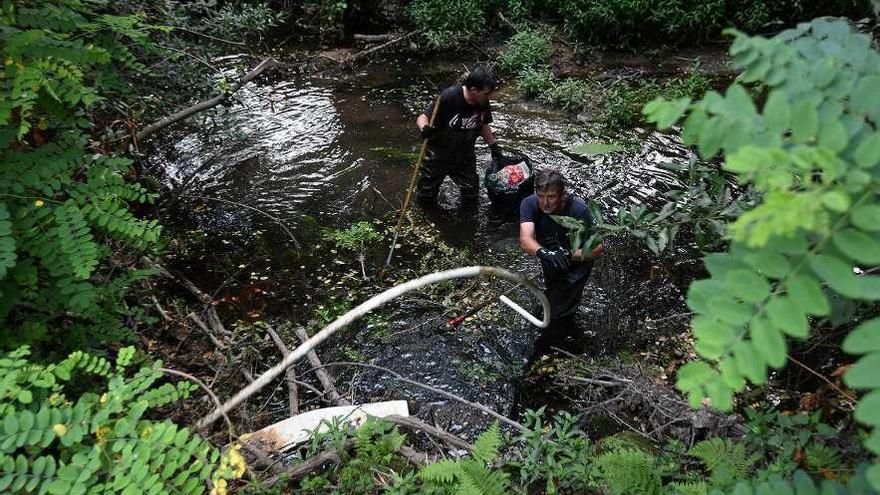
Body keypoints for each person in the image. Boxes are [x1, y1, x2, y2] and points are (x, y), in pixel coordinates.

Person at [519, 169, 604, 322]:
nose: (545, 203)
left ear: (562, 194)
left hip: (577, 262)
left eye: (551, 197)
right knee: (552, 292)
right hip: (549, 255)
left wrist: (568, 254)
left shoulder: (579, 210)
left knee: (557, 313)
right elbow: (526, 240)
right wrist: (545, 253)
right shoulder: (529, 204)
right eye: (541, 196)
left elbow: (598, 249)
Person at [415, 65, 503, 205]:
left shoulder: (482, 102)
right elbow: (422, 118)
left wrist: (493, 146)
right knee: (426, 196)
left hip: (465, 157)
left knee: (471, 195)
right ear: (474, 89)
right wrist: (424, 128)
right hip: (438, 155)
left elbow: (483, 125)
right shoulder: (448, 97)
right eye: (486, 93)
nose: (489, 97)